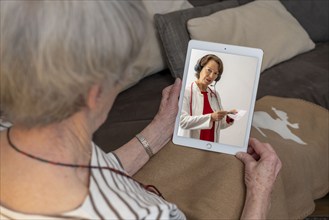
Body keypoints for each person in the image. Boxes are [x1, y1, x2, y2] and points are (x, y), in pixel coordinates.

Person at [0, 1, 281, 219]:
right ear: (94, 93)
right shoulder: (141, 216)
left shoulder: (38, 134)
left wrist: (160, 128)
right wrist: (260, 195)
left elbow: (96, 171)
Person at [179, 54, 237, 142]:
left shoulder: (215, 95)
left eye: (215, 73)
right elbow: (183, 122)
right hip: (191, 145)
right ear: (200, 68)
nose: (211, 76)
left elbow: (219, 125)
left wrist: (230, 116)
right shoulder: (186, 92)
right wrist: (211, 117)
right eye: (209, 70)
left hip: (211, 144)